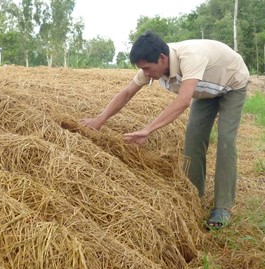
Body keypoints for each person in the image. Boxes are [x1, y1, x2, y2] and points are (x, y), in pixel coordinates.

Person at [81, 31, 249, 230]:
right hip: (206, 90)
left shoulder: (191, 57)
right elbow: (127, 93)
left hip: (232, 83)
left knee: (225, 140)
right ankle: (193, 194)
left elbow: (183, 101)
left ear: (162, 58)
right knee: (194, 137)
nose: (146, 73)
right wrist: (99, 120)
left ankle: (222, 207)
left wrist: (148, 129)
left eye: (147, 68)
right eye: (142, 69)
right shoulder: (150, 67)